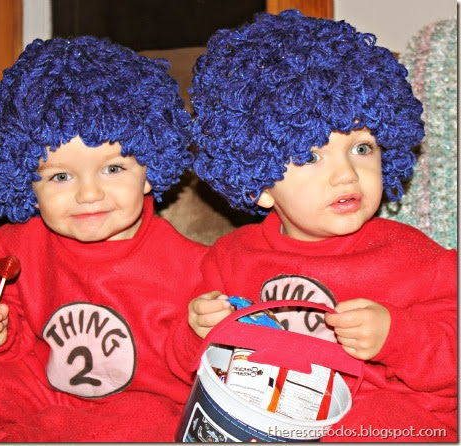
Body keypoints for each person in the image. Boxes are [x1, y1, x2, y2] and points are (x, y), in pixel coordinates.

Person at [185, 10, 457, 442]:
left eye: (362, 147)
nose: (347, 174)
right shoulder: (230, 260)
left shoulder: (418, 258)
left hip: (395, 422)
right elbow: (191, 377)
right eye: (311, 156)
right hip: (274, 421)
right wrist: (197, 334)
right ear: (259, 182)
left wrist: (397, 336)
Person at [0, 36, 208, 442]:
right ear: (26, 182)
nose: (88, 195)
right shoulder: (16, 246)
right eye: (60, 176)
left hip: (140, 400)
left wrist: (201, 327)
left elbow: (201, 362)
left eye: (112, 169)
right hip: (37, 382)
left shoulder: (193, 265)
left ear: (150, 166)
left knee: (154, 421)